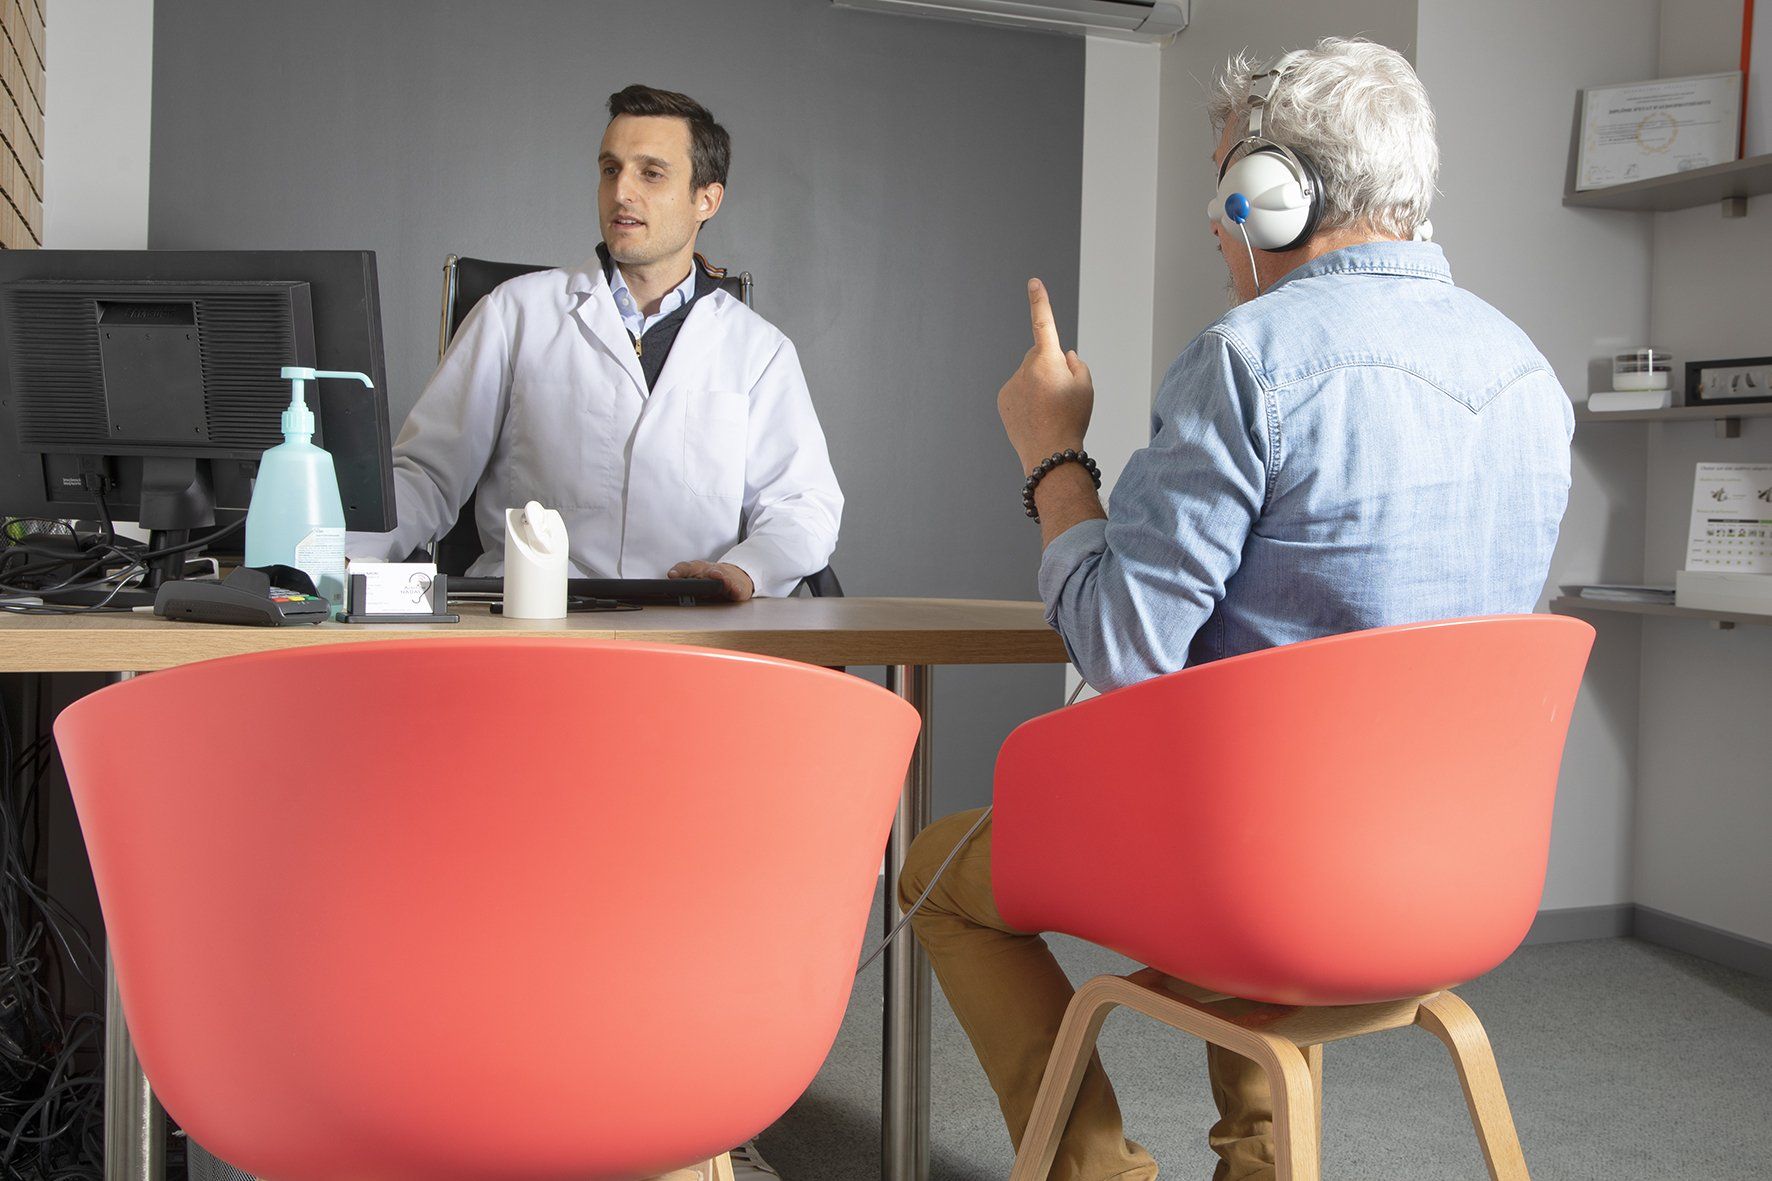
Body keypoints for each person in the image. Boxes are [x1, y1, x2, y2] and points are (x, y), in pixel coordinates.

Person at [898, 38, 1572, 1181]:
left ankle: (1092, 1169)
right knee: (1254, 749)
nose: (1215, 221)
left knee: (934, 869)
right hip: (1453, 884)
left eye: (1224, 186)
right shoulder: (1527, 373)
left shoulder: (1247, 359)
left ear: (1275, 193)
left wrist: (1052, 451)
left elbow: (1120, 644)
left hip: (1258, 883)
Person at [348, 85, 841, 602]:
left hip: (690, 620)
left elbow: (802, 505)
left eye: (651, 173)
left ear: (706, 199)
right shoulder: (515, 313)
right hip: (534, 617)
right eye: (610, 169)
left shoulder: (758, 351)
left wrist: (747, 570)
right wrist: (340, 559)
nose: (621, 191)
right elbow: (426, 474)